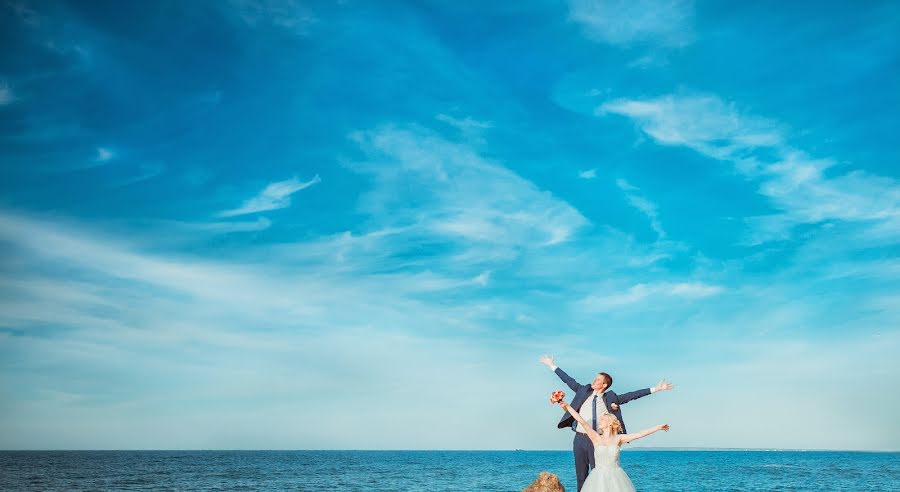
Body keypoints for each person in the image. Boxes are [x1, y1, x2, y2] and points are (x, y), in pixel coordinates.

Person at [540, 355, 673, 491]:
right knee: (581, 477)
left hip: (598, 440)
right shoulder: (583, 390)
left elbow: (632, 395)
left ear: (604, 385)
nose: (593, 380)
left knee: (599, 476)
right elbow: (568, 380)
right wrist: (552, 365)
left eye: (597, 379)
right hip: (579, 438)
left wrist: (656, 389)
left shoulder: (610, 397)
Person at [557, 399, 669, 492]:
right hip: (597, 478)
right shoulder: (596, 437)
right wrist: (567, 406)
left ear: (610, 423)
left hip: (616, 478)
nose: (600, 421)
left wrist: (659, 427)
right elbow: (582, 421)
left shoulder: (619, 438)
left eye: (603, 419)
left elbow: (639, 434)